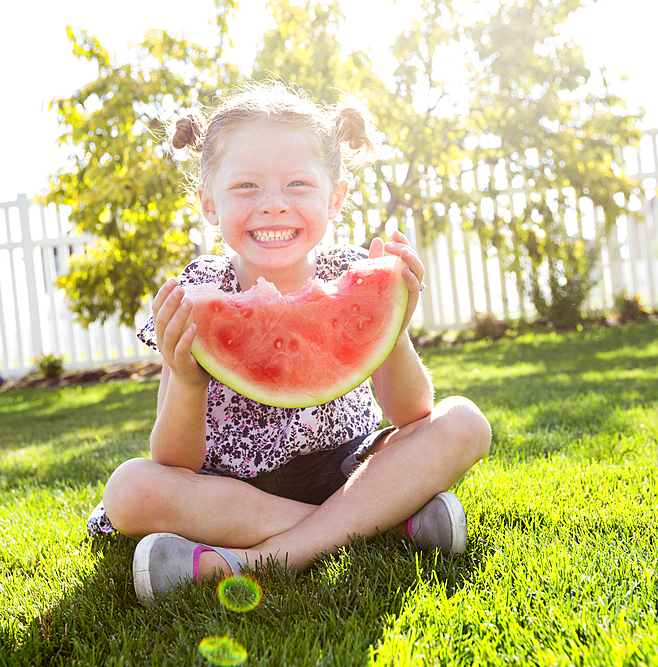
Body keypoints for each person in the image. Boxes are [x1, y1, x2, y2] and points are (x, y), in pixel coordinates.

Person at [97, 81, 492, 605]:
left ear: (336, 197)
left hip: (349, 467)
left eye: (298, 185)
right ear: (208, 203)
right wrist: (190, 382)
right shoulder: (197, 292)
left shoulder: (355, 272)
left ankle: (249, 561)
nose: (273, 206)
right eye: (246, 188)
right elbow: (173, 462)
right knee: (130, 490)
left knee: (463, 421)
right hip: (234, 492)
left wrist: (390, 331)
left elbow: (414, 412)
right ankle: (390, 525)